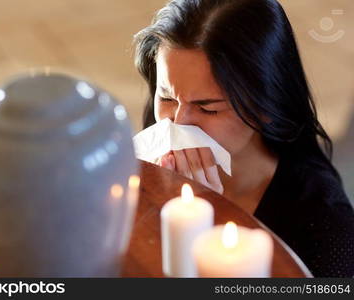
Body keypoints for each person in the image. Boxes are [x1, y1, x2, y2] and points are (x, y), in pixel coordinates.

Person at [133, 0, 354, 277]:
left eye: (207, 108)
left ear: (267, 107)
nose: (177, 122)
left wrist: (202, 227)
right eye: (166, 97)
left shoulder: (325, 228)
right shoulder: (145, 164)